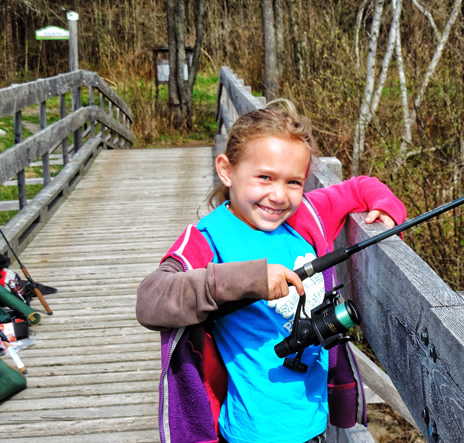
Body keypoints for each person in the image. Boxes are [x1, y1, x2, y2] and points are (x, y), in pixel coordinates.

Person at [136, 99, 407, 443]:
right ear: (227, 170)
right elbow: (150, 299)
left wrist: (386, 209)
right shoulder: (208, 239)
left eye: (294, 182)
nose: (279, 195)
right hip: (253, 431)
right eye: (265, 177)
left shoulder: (306, 216)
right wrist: (248, 280)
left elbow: (361, 187)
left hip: (314, 425)